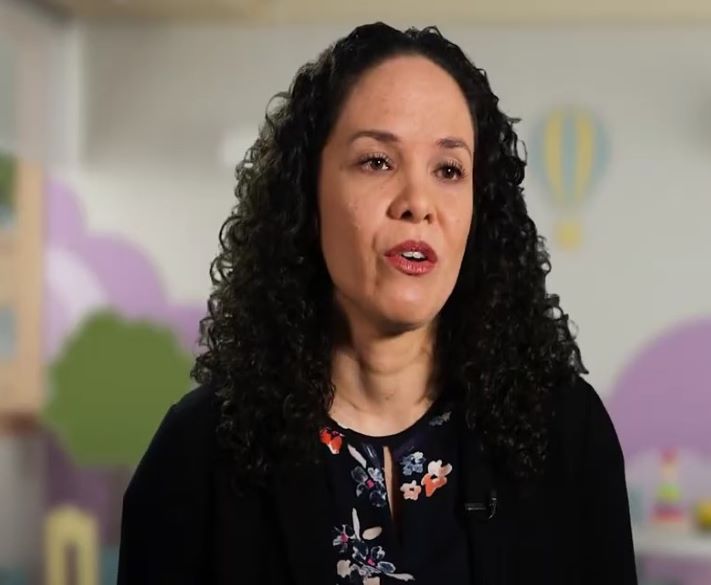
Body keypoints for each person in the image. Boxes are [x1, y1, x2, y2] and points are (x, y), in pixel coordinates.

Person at [117, 22, 637, 585]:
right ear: (307, 194)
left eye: (449, 170)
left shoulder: (566, 433)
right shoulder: (196, 456)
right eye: (377, 162)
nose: (417, 202)